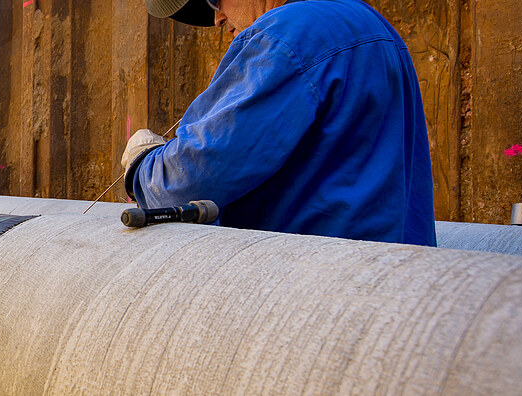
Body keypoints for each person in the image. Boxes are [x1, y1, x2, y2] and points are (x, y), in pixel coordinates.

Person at [123, 0, 436, 246]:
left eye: (215, 0)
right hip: (399, 283)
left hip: (319, 290)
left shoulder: (286, 35)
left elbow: (190, 181)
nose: (218, 19)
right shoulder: (371, 23)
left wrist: (143, 167)